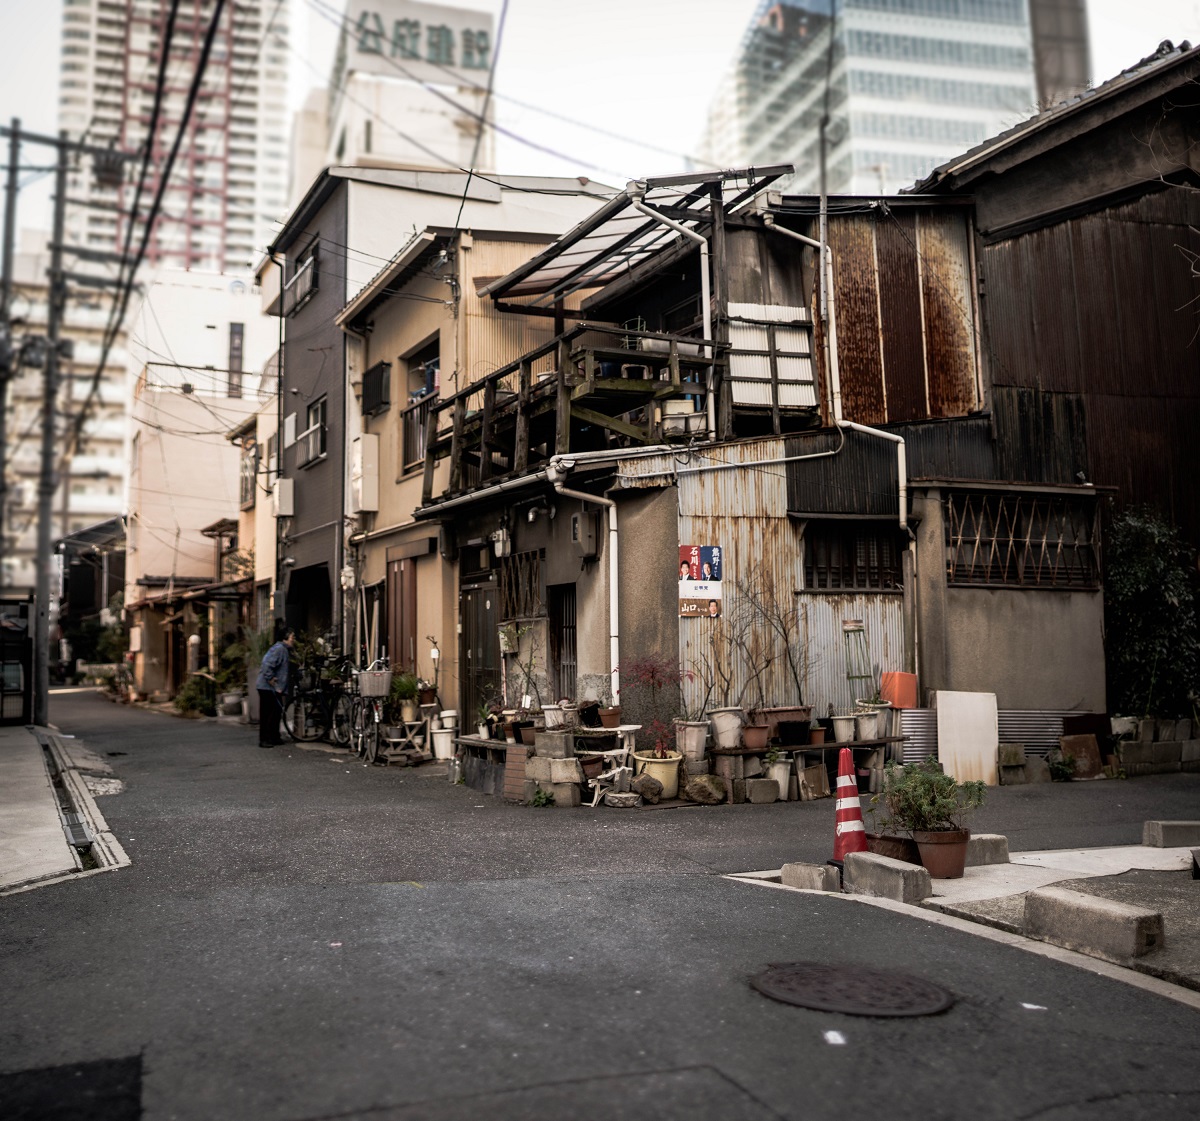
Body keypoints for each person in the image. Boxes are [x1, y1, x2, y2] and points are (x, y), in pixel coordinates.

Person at [256, 626, 295, 747]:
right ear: (285, 638)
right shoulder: (279, 649)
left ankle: (274, 737)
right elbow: (267, 664)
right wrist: (270, 678)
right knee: (268, 713)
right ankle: (265, 739)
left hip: (274, 687)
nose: (293, 639)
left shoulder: (284, 649)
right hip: (268, 687)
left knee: (276, 712)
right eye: (292, 637)